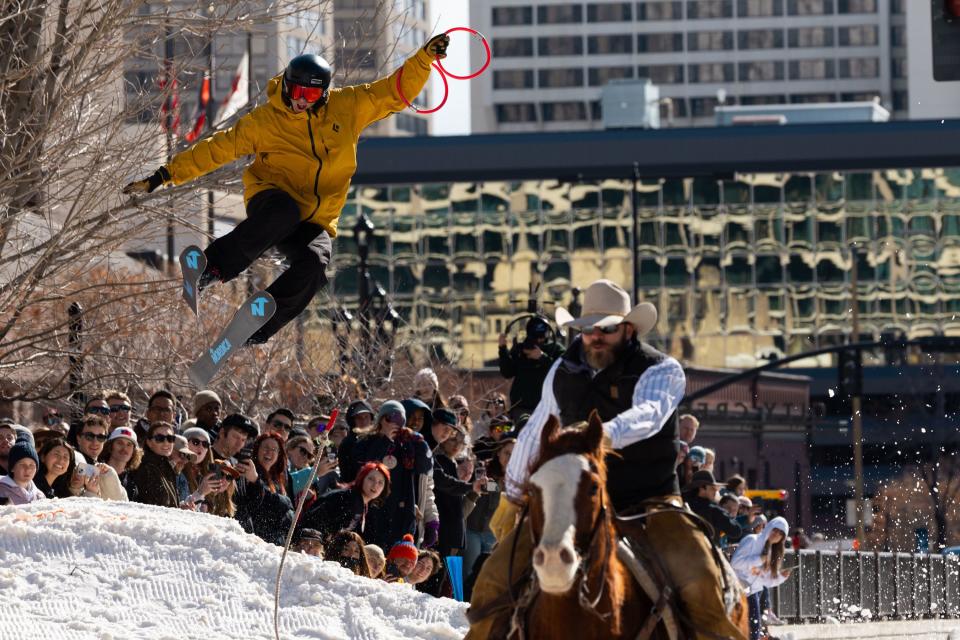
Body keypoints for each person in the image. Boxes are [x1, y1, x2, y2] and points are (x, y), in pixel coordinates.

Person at [123, 35, 451, 345]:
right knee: (284, 211)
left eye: (309, 96)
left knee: (315, 263)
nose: (298, 100)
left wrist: (424, 59)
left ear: (322, 94)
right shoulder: (267, 120)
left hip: (315, 219)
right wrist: (165, 174)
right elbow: (218, 148)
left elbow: (393, 91)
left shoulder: (348, 107)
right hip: (272, 198)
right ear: (286, 84)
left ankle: (256, 327)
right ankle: (212, 268)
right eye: (294, 91)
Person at [467, 279, 746, 640]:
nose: (595, 336)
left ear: (629, 328)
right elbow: (537, 430)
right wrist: (515, 497)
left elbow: (650, 413)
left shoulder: (661, 369)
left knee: (700, 581)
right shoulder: (563, 370)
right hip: (575, 501)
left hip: (653, 503)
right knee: (491, 582)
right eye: (586, 329)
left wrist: (603, 435)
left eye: (607, 328)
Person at [349, 401, 431, 549]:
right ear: (380, 420)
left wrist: (419, 442)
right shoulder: (365, 442)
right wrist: (385, 439)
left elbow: (425, 467)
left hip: (399, 513)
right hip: (372, 511)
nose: (394, 423)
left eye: (399, 420)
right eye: (389, 418)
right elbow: (364, 467)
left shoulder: (406, 446)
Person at [298, 461, 390, 542]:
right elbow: (319, 522)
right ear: (362, 479)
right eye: (371, 479)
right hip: (308, 541)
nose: (375, 485)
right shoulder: (350, 498)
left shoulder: (360, 502)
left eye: (380, 482)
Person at [731, 517, 791, 640]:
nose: (776, 535)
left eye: (781, 534)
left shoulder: (771, 551)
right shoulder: (751, 540)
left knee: (752, 630)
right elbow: (735, 563)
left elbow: (764, 580)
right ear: (769, 527)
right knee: (752, 629)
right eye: (775, 530)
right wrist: (759, 560)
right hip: (740, 589)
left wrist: (780, 577)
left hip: (755, 591)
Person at [497, 316, 565, 421]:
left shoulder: (555, 349)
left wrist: (542, 357)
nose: (539, 340)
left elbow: (562, 372)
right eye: (535, 338)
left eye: (542, 337)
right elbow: (507, 372)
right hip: (522, 407)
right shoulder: (521, 349)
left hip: (547, 407)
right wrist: (502, 349)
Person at [434, 425, 486, 558]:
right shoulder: (440, 461)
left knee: (448, 576)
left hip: (452, 535)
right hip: (441, 531)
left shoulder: (451, 463)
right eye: (453, 440)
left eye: (461, 442)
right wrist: (471, 487)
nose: (457, 445)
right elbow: (446, 484)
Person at [68, 414, 127, 501]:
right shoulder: (71, 461)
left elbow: (124, 504)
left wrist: (111, 476)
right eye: (89, 436)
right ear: (79, 438)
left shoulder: (105, 469)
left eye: (100, 437)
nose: (95, 442)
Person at [682, 470, 744, 547]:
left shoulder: (681, 503)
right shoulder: (713, 511)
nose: (716, 491)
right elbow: (736, 531)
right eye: (712, 488)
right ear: (702, 488)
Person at [131, 422, 180, 507]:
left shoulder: (166, 466)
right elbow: (152, 505)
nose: (166, 443)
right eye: (160, 438)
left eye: (170, 438)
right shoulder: (145, 466)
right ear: (149, 443)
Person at [99, 427, 143, 501]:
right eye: (120, 443)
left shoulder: (132, 486)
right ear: (110, 446)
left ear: (134, 452)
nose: (124, 448)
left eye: (129, 445)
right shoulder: (97, 472)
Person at [0, 436, 45, 505]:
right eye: (22, 464)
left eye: (32, 465)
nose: (28, 469)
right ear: (12, 468)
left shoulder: (39, 496)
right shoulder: (2, 489)